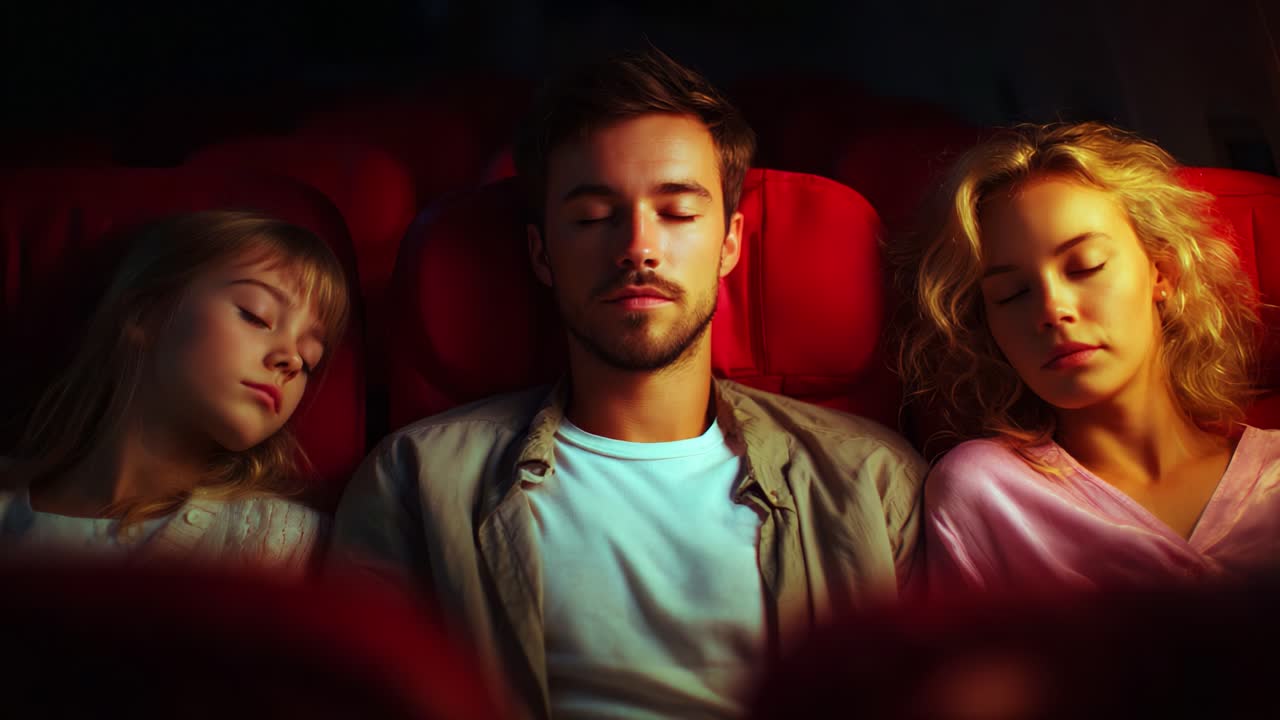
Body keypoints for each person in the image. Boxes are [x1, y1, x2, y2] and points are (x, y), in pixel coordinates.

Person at [330, 47, 924, 720]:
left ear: (730, 244)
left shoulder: (872, 484)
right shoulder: (415, 482)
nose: (638, 247)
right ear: (542, 255)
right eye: (591, 217)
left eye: (678, 213)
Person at [891, 121, 1274, 595]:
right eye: (1012, 294)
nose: (1052, 310)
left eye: (1086, 266)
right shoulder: (986, 492)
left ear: (1162, 273)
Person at [0, 210, 349, 574]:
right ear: (145, 314)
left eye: (310, 359)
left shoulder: (288, 543)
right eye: (255, 315)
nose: (292, 359)